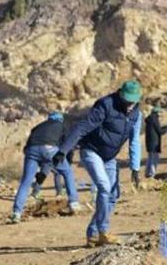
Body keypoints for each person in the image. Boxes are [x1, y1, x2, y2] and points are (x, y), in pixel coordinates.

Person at [56, 80, 143, 247]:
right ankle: (104, 231)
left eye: (134, 101)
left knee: (112, 196)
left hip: (110, 157)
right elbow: (82, 127)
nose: (130, 104)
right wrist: (63, 150)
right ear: (120, 94)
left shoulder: (137, 114)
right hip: (91, 151)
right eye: (127, 100)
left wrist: (135, 168)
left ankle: (93, 234)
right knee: (104, 187)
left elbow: (135, 141)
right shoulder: (105, 105)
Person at [8, 112, 80, 224]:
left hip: (31, 150)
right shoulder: (62, 125)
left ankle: (16, 213)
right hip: (50, 149)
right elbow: (67, 145)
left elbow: (29, 146)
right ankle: (74, 203)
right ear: (60, 119)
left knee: (25, 182)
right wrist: (67, 161)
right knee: (67, 172)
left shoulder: (39, 126)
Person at [145, 106, 165, 178]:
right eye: (160, 112)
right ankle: (152, 174)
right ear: (157, 112)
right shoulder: (155, 119)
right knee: (155, 158)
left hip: (149, 142)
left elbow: (157, 129)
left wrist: (165, 127)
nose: (161, 114)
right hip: (154, 142)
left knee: (150, 158)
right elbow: (160, 131)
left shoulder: (149, 119)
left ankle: (147, 173)